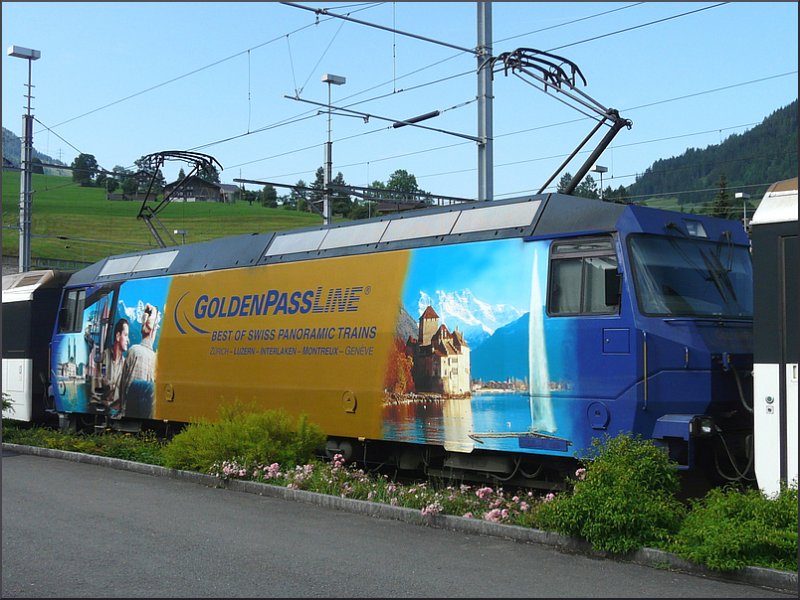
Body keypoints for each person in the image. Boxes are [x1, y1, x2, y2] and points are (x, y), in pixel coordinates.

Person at [117, 304, 160, 419]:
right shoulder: (155, 358)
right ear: (154, 330)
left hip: (129, 412)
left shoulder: (133, 351)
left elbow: (123, 386)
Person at [101, 317, 129, 417]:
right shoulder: (104, 357)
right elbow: (100, 380)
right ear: (118, 336)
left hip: (117, 414)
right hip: (102, 411)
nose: (128, 340)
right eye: (126, 335)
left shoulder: (126, 364)